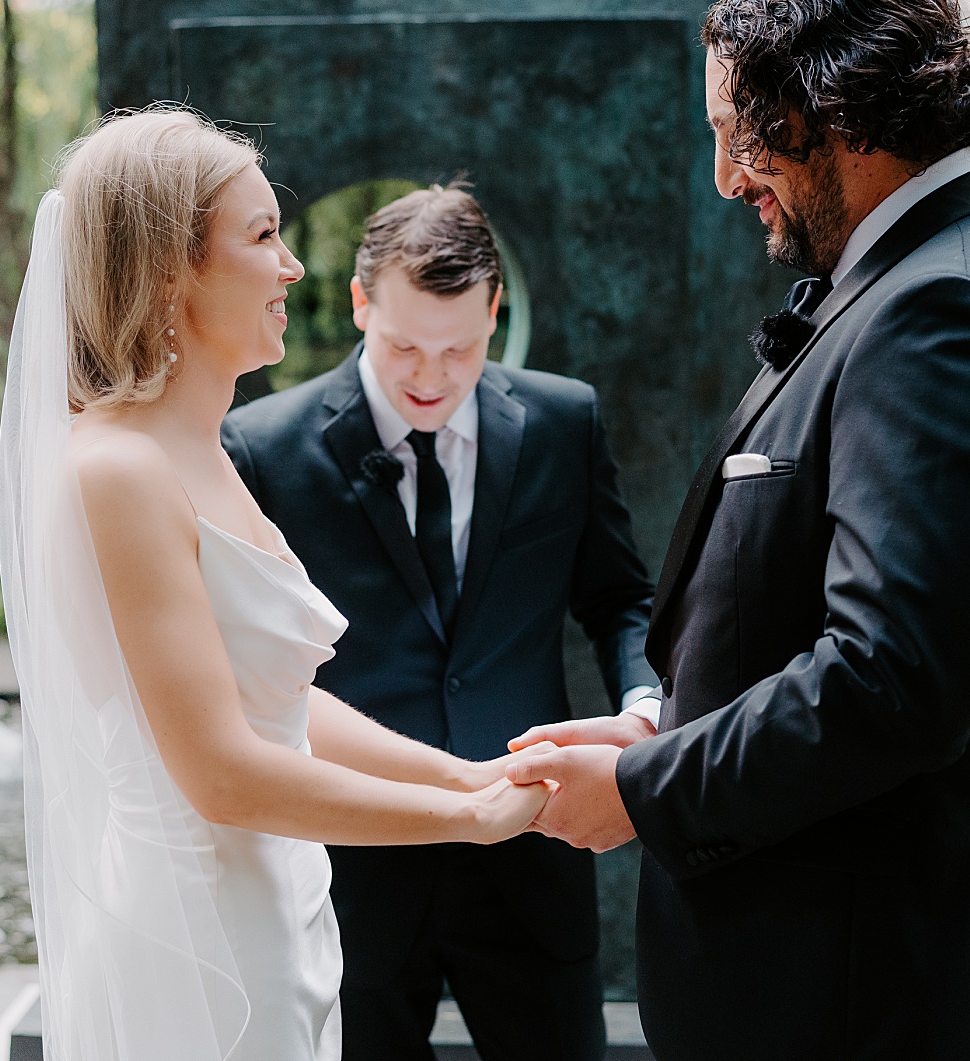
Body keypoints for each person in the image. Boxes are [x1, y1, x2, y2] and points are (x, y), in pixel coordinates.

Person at [499, 0, 970, 1060]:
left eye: (736, 132)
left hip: (867, 991)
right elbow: (792, 610)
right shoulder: (909, 283)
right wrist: (658, 720)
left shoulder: (950, 318)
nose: (727, 177)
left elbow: (891, 682)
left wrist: (642, 788)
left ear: (831, 107)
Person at [0, 107, 549, 1061]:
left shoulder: (197, 450)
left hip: (275, 906)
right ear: (172, 270)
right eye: (262, 236)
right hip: (194, 942)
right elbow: (218, 773)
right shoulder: (116, 470)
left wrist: (464, 770)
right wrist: (465, 819)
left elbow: (277, 707)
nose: (293, 267)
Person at [221, 185, 659, 1061]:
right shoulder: (261, 447)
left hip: (535, 851)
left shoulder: (563, 420)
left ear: (496, 312)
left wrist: (645, 718)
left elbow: (621, 601)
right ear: (358, 303)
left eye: (459, 350)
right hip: (355, 860)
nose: (429, 377)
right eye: (403, 347)